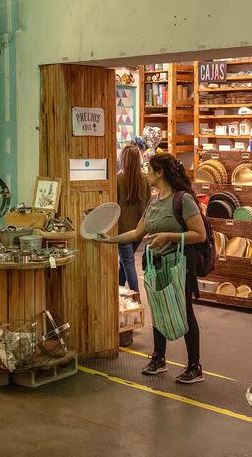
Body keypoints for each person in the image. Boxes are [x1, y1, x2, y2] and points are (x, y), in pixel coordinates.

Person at [97, 153, 206, 384]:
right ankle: (159, 359)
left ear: (160, 173)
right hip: (155, 266)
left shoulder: (182, 199)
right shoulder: (154, 201)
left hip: (178, 265)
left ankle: (195, 367)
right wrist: (108, 239)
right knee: (158, 309)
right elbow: (137, 232)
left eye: (149, 170)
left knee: (184, 312)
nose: (146, 173)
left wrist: (169, 236)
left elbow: (199, 234)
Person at [116, 145, 150, 293]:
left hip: (122, 230)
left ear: (124, 159)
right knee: (125, 262)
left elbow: (114, 205)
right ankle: (117, 292)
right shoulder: (145, 179)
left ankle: (136, 297)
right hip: (139, 229)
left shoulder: (118, 179)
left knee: (128, 263)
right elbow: (148, 202)